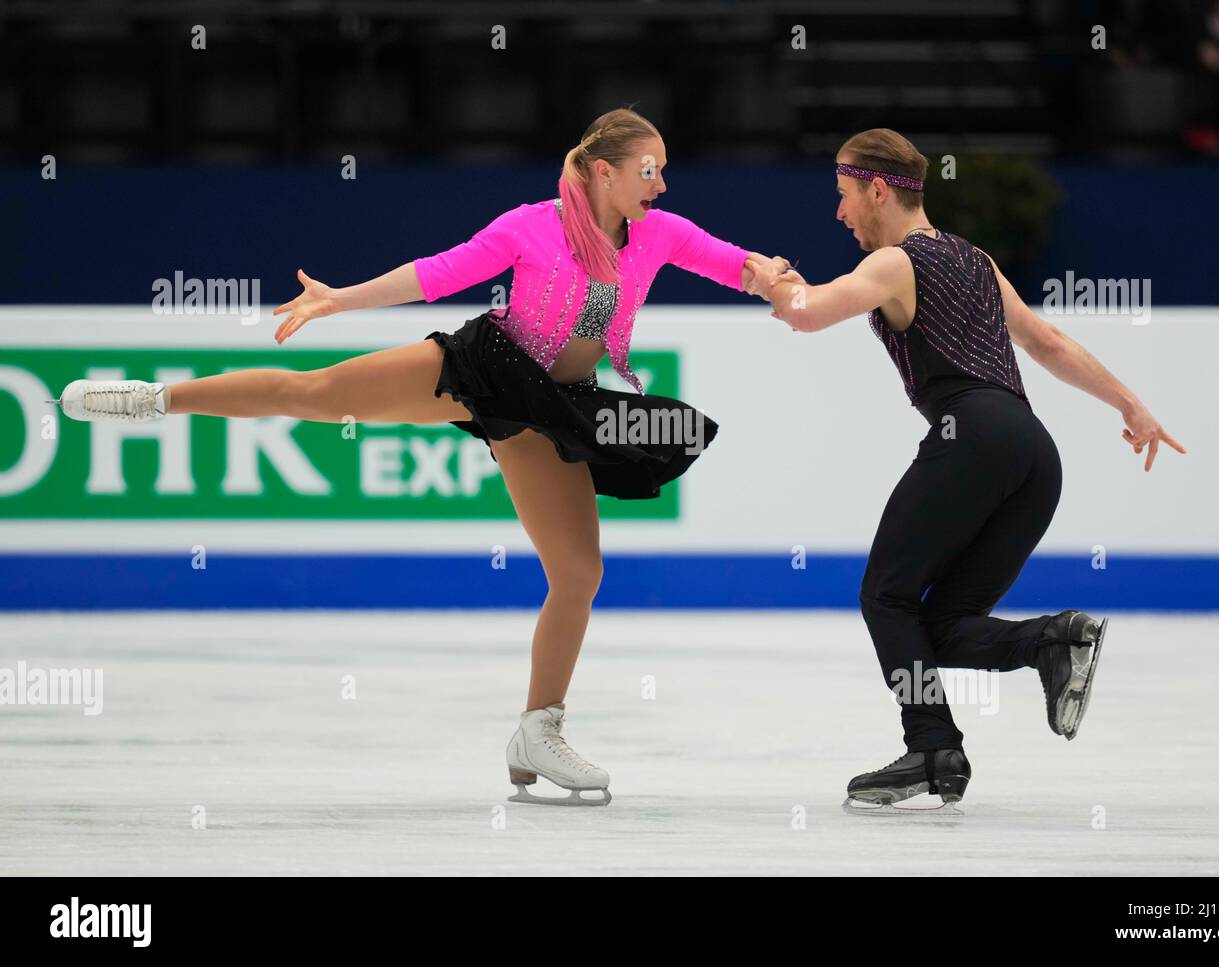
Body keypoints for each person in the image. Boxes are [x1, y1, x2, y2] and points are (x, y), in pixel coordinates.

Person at [56, 107, 774, 807]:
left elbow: (732, 263)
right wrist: (339, 301)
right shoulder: (532, 225)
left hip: (553, 406)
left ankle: (537, 729)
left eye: (664, 171)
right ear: (601, 171)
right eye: (650, 170)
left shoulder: (656, 234)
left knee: (580, 571)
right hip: (486, 367)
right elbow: (437, 273)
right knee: (315, 393)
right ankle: (154, 400)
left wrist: (781, 281)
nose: (662, 184)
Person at [751, 128, 1186, 815]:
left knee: (885, 596)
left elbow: (806, 315)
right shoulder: (975, 259)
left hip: (975, 436)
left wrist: (766, 282)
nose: (840, 215)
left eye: (844, 197)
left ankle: (930, 746)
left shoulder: (896, 263)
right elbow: (1047, 341)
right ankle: (1054, 638)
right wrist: (1130, 404)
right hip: (1034, 456)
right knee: (945, 623)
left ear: (876, 189)